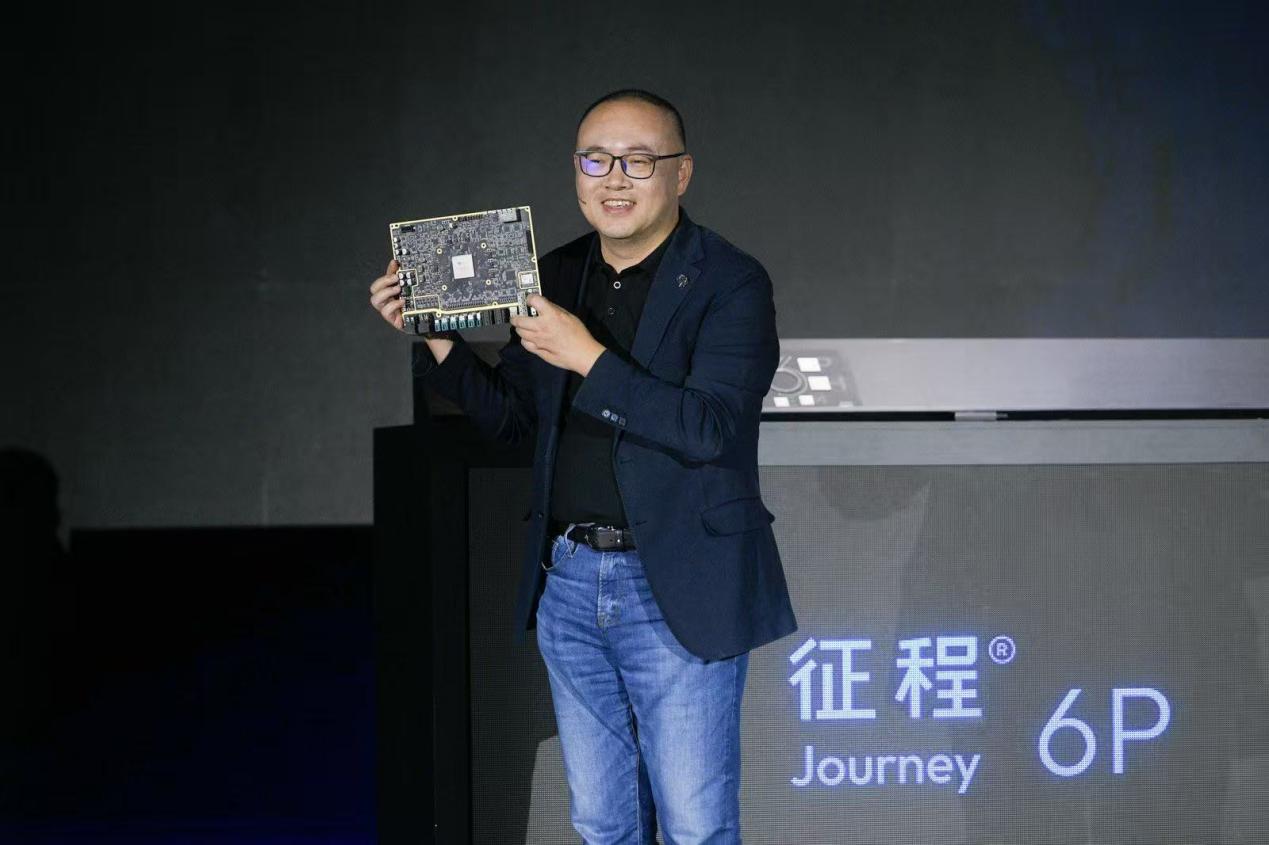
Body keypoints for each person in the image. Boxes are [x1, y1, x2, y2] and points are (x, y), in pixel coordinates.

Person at [368, 89, 796, 844]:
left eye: (638, 160)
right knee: (601, 821)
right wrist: (437, 339)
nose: (614, 179)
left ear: (681, 173)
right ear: (575, 172)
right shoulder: (553, 274)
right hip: (569, 580)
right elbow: (516, 424)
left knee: (695, 824)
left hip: (679, 582)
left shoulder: (730, 282)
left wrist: (588, 357)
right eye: (595, 161)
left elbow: (710, 428)